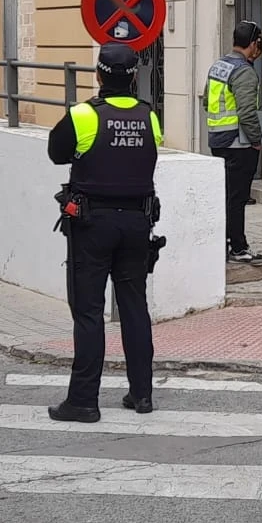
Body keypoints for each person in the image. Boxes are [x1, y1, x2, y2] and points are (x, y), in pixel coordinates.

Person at [46, 42, 162, 421]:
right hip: (136, 224)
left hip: (93, 224)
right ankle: (141, 394)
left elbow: (56, 152)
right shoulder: (150, 116)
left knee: (89, 312)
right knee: (133, 307)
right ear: (133, 77)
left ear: (98, 75)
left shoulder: (83, 115)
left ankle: (83, 401)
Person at [206, 20, 262, 266]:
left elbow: (205, 103)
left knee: (225, 196)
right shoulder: (244, 71)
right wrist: (256, 140)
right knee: (237, 198)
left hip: (217, 139)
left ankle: (223, 245)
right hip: (238, 144)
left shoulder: (218, 66)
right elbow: (247, 112)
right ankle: (238, 248)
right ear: (253, 44)